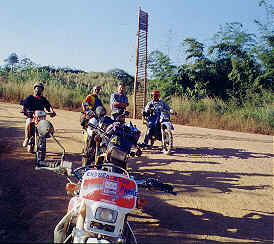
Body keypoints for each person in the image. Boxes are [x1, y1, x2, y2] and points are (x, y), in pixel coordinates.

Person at [21, 82, 56, 147]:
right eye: (37, 88)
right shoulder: (30, 97)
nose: (38, 90)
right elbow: (24, 103)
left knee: (47, 127)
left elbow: (48, 106)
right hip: (31, 116)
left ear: (42, 90)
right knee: (28, 122)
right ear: (34, 89)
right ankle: (26, 138)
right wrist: (23, 110)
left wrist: (52, 111)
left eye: (40, 88)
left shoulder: (43, 99)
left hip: (41, 118)